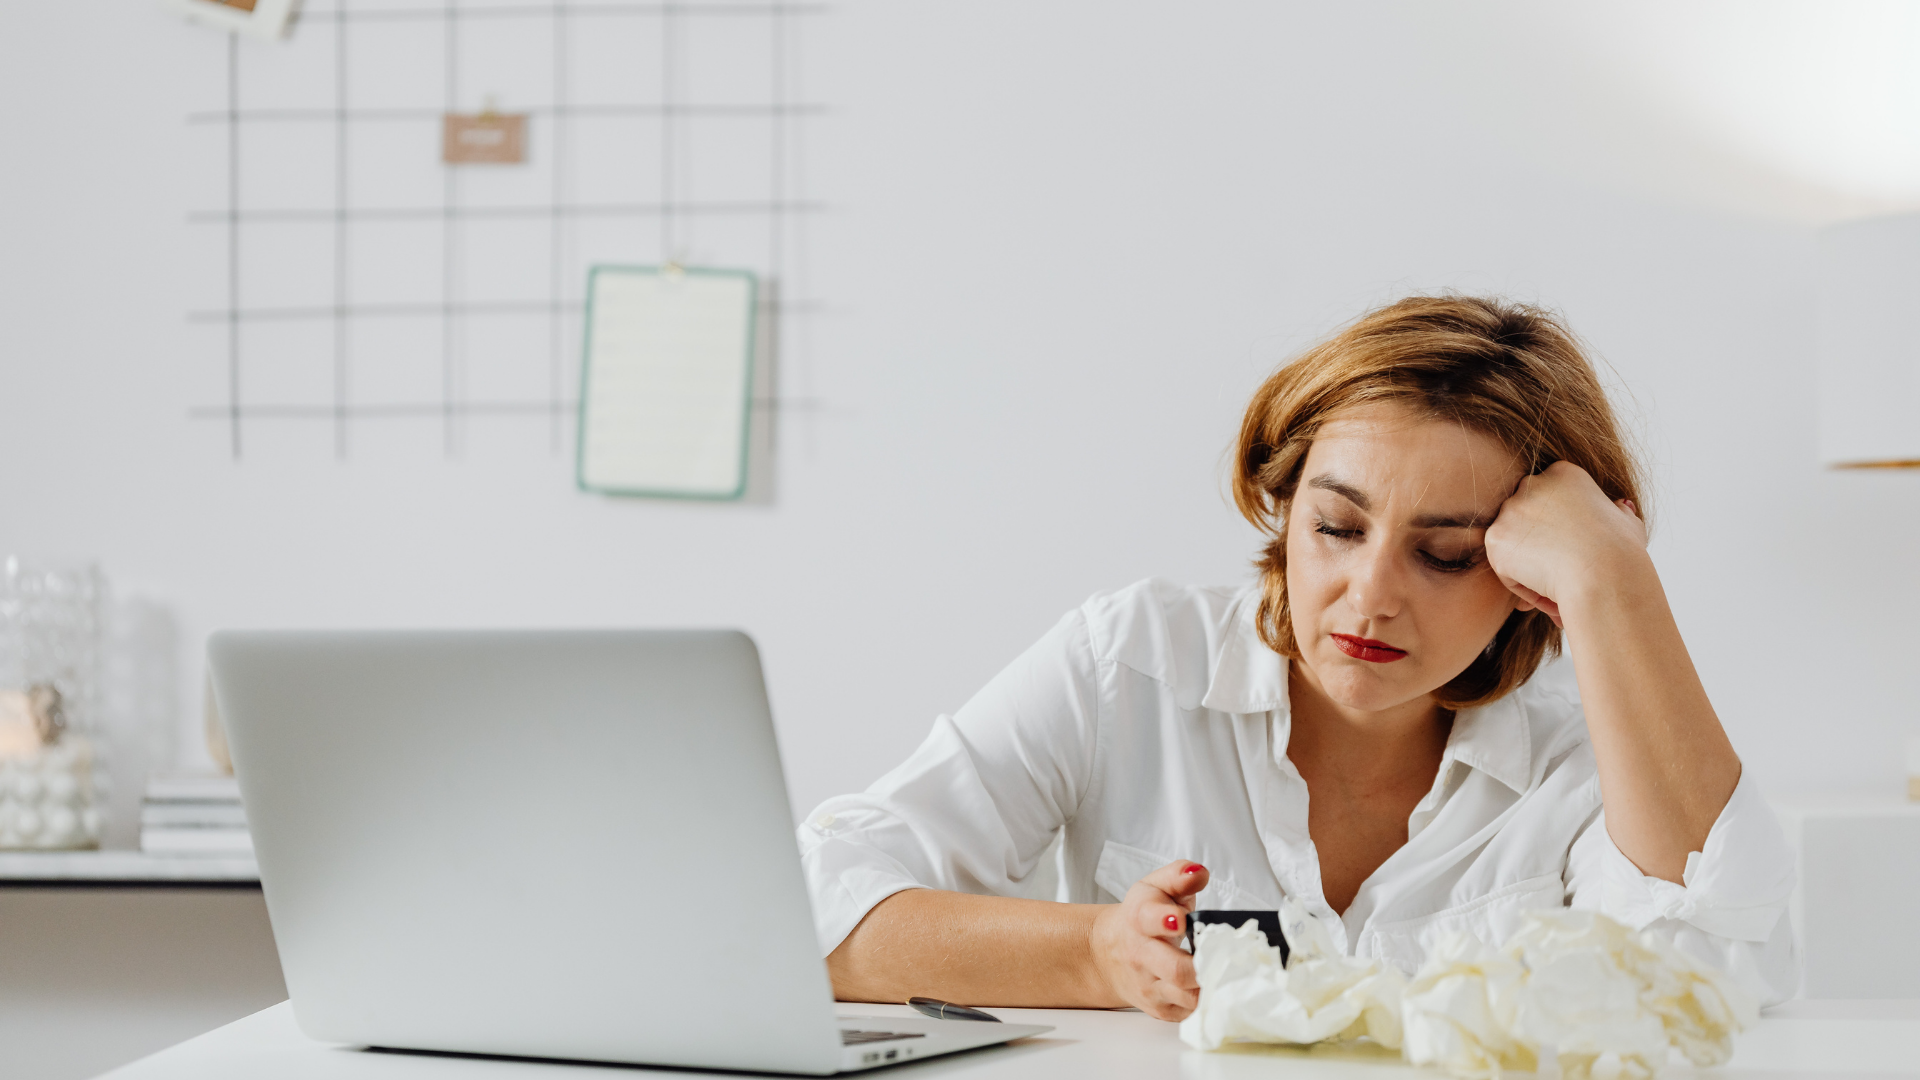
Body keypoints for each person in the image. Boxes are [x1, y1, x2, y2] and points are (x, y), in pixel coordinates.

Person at [798, 295, 1796, 1020]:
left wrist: (1616, 584)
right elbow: (814, 899)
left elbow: (1716, 976)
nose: (1370, 595)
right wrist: (1095, 955)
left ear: (1526, 573)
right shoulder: (1130, 664)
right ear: (1285, 508)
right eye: (1337, 527)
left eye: (1445, 554)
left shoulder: (1582, 767)